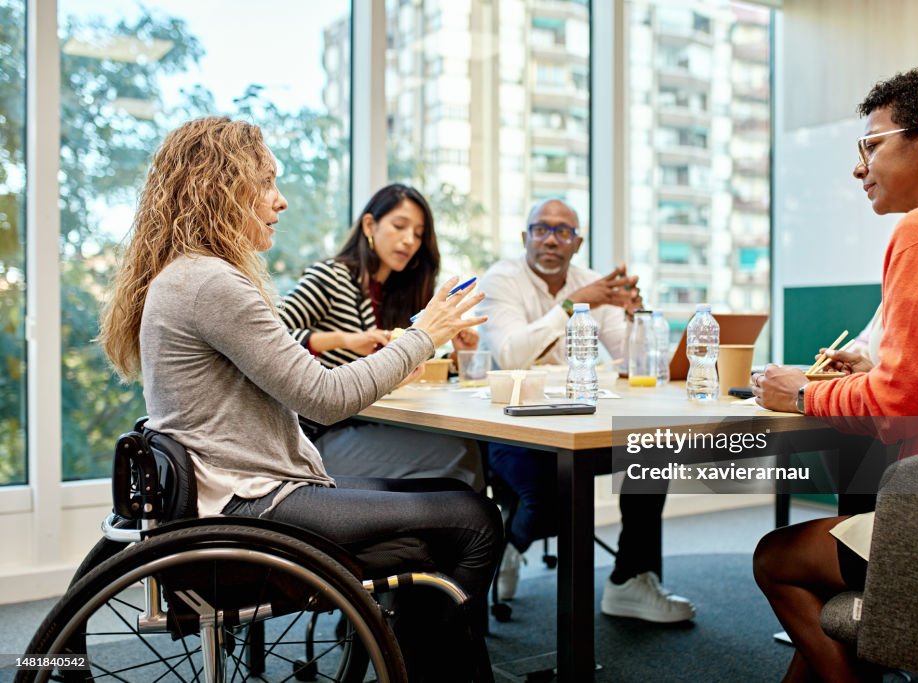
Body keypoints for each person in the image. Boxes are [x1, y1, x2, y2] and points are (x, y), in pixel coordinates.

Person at [97, 117, 503, 682]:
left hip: (233, 493)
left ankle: (415, 659)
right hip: (251, 504)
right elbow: (326, 400)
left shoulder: (183, 277)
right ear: (221, 186)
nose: (280, 200)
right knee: (474, 516)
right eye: (266, 183)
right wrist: (424, 333)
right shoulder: (212, 284)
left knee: (445, 504)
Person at [750, 66, 918, 682]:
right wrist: (872, 371)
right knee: (831, 614)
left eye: (871, 146)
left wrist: (802, 393)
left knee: (775, 556)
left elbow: (900, 408)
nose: (858, 167)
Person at [476, 197, 695, 623]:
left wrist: (635, 320)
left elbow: (633, 366)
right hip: (514, 428)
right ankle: (508, 547)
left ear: (577, 242)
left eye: (563, 231)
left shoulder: (594, 282)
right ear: (525, 237)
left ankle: (629, 581)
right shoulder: (502, 279)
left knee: (651, 449)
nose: (551, 239)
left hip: (583, 420)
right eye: (541, 229)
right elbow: (509, 356)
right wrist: (572, 305)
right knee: (550, 500)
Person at [278, 184, 484, 490]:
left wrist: (457, 354)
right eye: (400, 226)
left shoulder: (403, 295)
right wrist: (344, 340)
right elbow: (273, 336)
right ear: (370, 225)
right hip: (314, 436)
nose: (409, 241)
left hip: (372, 424)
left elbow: (416, 369)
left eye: (418, 234)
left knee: (465, 446)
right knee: (460, 455)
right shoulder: (331, 277)